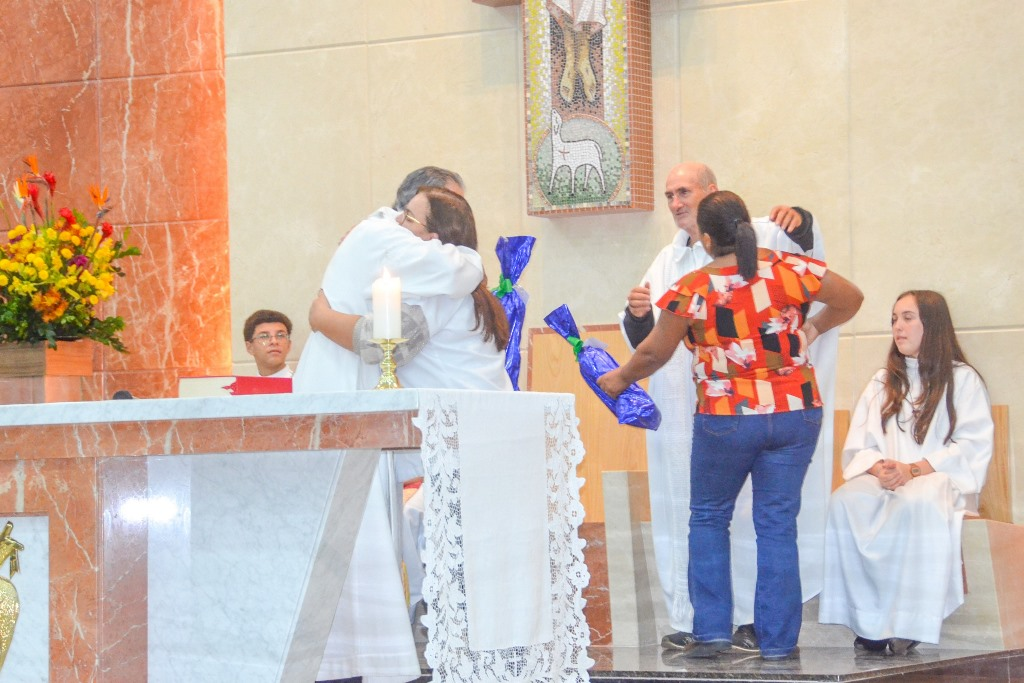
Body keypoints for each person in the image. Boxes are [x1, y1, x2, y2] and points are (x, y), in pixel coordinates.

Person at [599, 190, 862, 660]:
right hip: (795, 413)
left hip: (728, 418)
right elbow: (852, 298)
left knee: (708, 517)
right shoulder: (789, 268)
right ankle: (778, 642)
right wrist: (814, 328)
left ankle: (712, 631)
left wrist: (618, 379)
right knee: (777, 524)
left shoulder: (695, 285)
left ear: (705, 238)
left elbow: (655, 351)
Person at [291, 173, 494, 683]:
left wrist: (319, 315)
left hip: (402, 399)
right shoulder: (385, 238)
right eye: (406, 214)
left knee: (372, 514)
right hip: (343, 381)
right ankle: (354, 649)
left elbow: (393, 340)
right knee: (354, 517)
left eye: (413, 219)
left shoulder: (411, 260)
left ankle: (373, 646)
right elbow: (389, 336)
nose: (404, 223)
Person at [819, 291, 993, 655]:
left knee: (916, 502)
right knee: (845, 501)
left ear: (933, 324)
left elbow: (971, 445)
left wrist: (913, 469)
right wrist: (879, 467)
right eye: (894, 319)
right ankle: (867, 619)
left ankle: (911, 620)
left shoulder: (962, 379)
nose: (898, 327)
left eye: (908, 318)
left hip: (940, 480)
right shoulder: (884, 381)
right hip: (888, 480)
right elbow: (860, 445)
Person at [242, 309, 293, 377]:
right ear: (250, 347)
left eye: (280, 335)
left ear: (289, 345)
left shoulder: (301, 382)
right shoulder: (242, 384)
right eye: (264, 336)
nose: (274, 341)